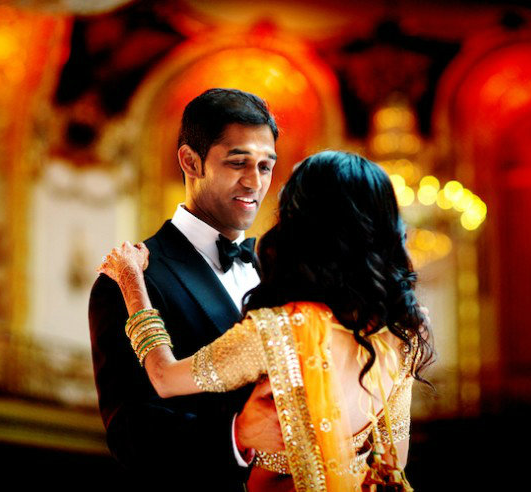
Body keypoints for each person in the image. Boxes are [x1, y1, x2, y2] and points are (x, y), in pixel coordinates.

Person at [98, 151, 434, 492]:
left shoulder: (281, 331)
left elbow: (164, 377)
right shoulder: (403, 332)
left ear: (300, 225)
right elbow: (395, 458)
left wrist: (130, 281)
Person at [88, 88, 283, 492]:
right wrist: (236, 437)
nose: (255, 182)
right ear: (190, 161)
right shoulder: (132, 278)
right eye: (238, 163)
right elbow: (130, 432)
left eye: (266, 166)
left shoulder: (279, 272)